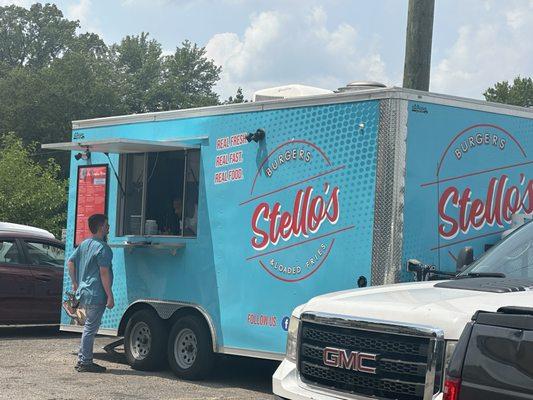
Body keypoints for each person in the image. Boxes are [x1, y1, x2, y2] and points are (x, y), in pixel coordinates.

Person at [67, 214, 114, 373]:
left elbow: (70, 262)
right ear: (101, 227)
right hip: (96, 293)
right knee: (90, 329)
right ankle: (85, 362)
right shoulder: (103, 248)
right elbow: (104, 272)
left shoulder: (85, 244)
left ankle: (83, 359)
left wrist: (75, 283)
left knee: (88, 327)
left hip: (84, 292)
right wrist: (110, 295)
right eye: (107, 225)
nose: (109, 227)